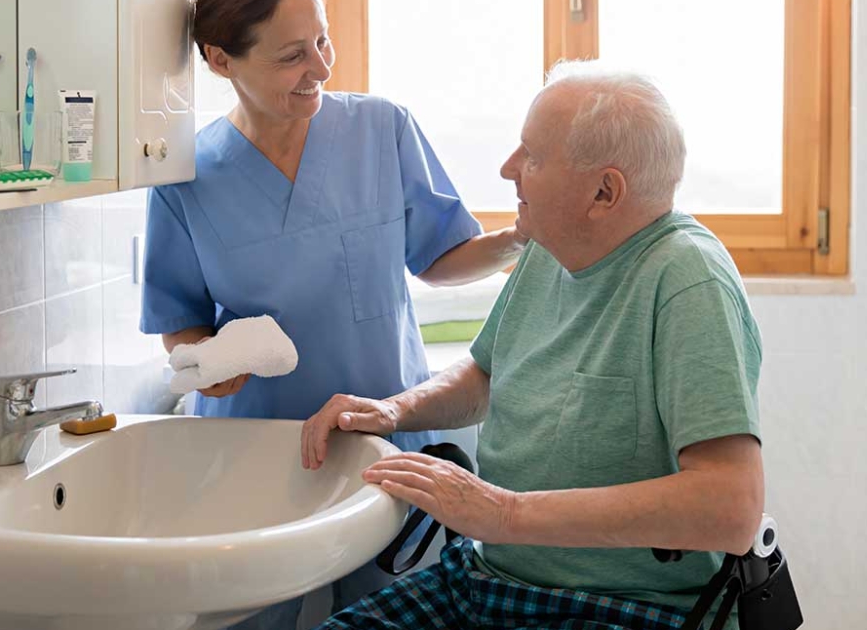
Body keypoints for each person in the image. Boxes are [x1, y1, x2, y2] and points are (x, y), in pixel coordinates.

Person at [302, 60, 766, 630]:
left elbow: (729, 509)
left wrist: (504, 512)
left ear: (604, 192)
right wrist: (394, 410)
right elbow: (484, 376)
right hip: (486, 581)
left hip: (626, 607)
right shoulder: (551, 244)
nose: (508, 169)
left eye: (533, 157)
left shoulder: (687, 280)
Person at [138, 0, 526, 627]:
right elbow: (181, 327)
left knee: (394, 614)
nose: (319, 66)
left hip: (383, 444)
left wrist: (522, 238)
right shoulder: (186, 176)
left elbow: (438, 257)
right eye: (293, 54)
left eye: (323, 41)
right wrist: (211, 362)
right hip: (254, 459)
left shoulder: (382, 129)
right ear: (220, 59)